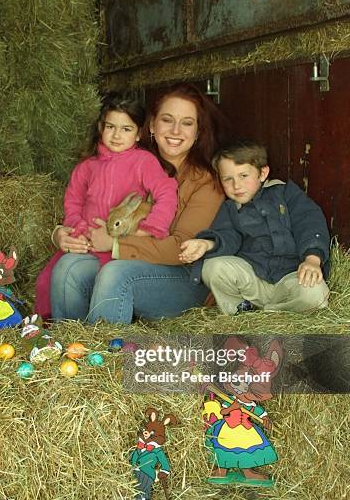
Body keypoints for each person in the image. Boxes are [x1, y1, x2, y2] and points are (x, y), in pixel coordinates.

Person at [47, 83, 229, 323]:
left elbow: (181, 248)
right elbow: (94, 205)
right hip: (129, 262)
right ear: (151, 126)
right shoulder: (132, 161)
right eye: (167, 120)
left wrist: (115, 245)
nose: (175, 130)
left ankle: (103, 356)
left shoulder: (206, 183)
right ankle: (69, 350)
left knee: (116, 272)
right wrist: (63, 233)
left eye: (187, 123)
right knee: (70, 266)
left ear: (198, 132)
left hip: (184, 278)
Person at [35, 91, 178, 319]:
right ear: (101, 126)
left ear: (139, 134)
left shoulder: (143, 162)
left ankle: (95, 339)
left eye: (126, 129)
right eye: (111, 127)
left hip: (119, 248)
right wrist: (78, 228)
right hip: (88, 244)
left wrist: (150, 228)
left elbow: (167, 191)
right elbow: (73, 201)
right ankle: (65, 335)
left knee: (82, 274)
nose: (117, 135)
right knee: (51, 279)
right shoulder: (87, 166)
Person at [179, 140, 330, 313]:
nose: (236, 185)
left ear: (262, 173)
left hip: (291, 277)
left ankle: (269, 315)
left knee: (316, 295)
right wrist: (206, 244)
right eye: (228, 179)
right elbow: (227, 236)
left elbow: (309, 222)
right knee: (213, 267)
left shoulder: (286, 193)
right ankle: (241, 311)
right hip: (253, 280)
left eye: (243, 176)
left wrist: (312, 259)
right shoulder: (229, 209)